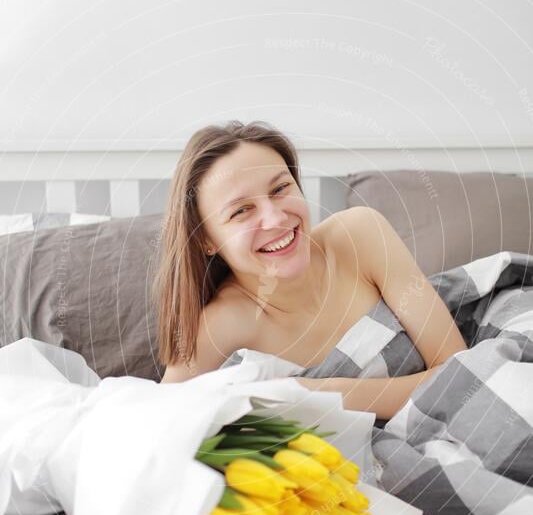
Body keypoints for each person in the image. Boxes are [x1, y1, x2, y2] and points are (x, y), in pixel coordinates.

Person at [153, 120, 467, 420]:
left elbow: (458, 374)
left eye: (279, 189)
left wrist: (316, 392)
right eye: (241, 211)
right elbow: (156, 418)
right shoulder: (221, 326)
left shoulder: (361, 235)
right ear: (207, 240)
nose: (275, 219)